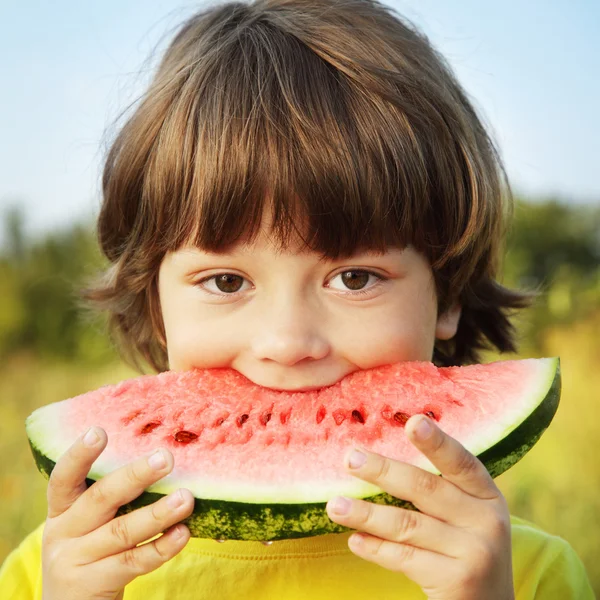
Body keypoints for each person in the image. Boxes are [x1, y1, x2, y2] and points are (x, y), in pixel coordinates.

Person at [0, 0, 594, 598]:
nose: (287, 342)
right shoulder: (54, 571)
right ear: (155, 305)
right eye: (226, 282)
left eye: (356, 279)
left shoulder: (526, 573)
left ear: (448, 295)